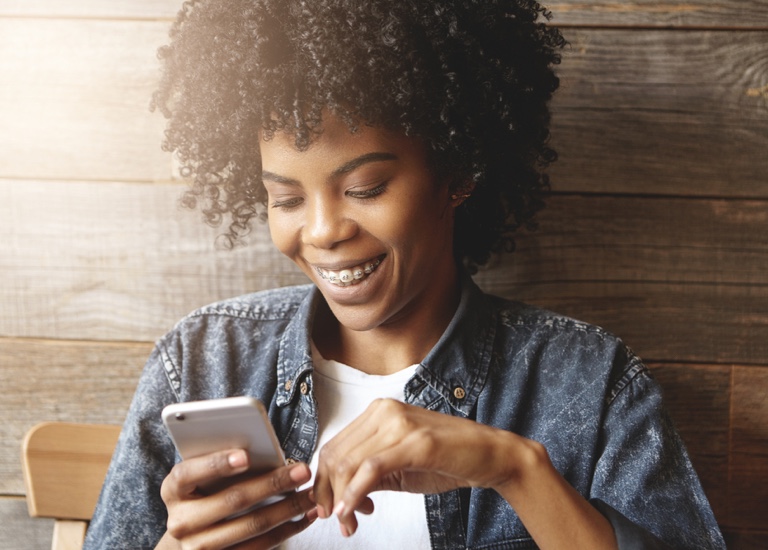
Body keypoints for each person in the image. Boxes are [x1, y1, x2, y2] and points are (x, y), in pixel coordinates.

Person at [84, 1, 725, 548]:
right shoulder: (201, 362)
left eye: (366, 187)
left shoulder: (587, 385)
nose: (322, 230)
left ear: (459, 173)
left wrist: (513, 468)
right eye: (285, 199)